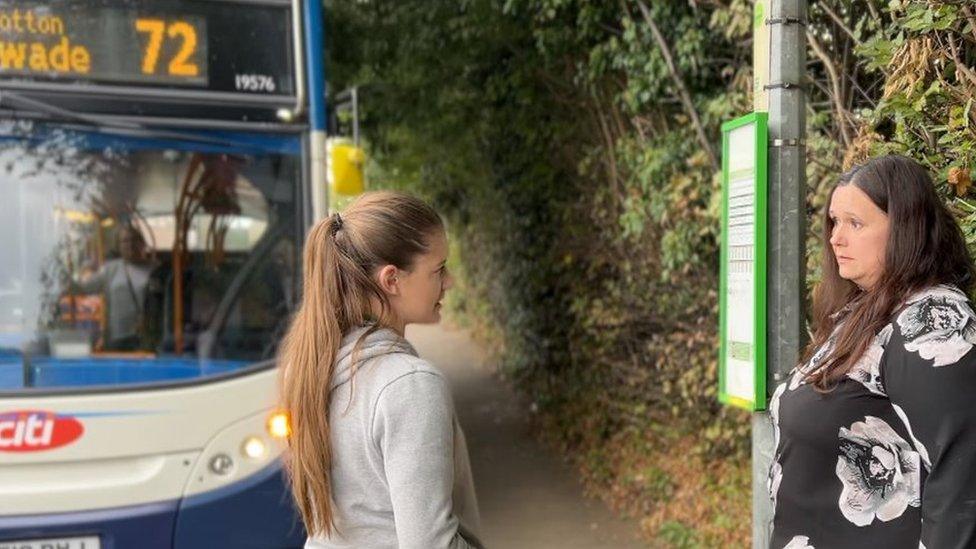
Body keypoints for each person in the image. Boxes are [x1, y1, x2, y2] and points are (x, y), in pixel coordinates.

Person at [768, 155, 976, 548]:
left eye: (855, 223)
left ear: (905, 229)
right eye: (834, 221)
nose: (835, 237)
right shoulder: (865, 309)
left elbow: (962, 479)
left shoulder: (931, 321)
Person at [277, 191, 484, 549]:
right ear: (392, 280)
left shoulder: (311, 364)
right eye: (438, 270)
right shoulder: (409, 385)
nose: (449, 282)